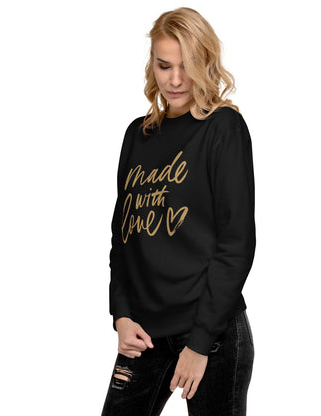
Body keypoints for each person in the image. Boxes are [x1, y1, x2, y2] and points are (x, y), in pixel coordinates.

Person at [101, 7, 256, 416]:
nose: (174, 80)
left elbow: (237, 244)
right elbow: (123, 239)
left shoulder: (222, 128)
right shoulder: (137, 135)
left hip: (210, 335)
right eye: (164, 65)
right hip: (144, 335)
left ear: (206, 62)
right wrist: (121, 315)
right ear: (151, 65)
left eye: (186, 66)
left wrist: (199, 344)